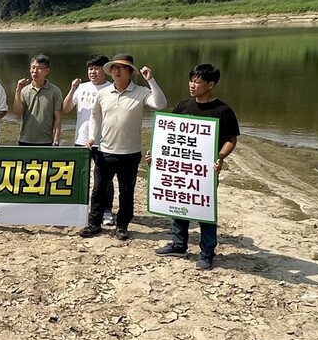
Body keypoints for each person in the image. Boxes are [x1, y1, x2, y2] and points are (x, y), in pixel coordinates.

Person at [153, 63, 240, 271]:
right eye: (191, 80)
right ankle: (179, 244)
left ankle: (207, 251)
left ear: (210, 84)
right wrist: (155, 155)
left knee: (204, 210)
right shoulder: (183, 106)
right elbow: (169, 137)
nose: (192, 85)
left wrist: (219, 157)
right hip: (182, 169)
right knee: (179, 203)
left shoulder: (222, 110)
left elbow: (231, 140)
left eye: (197, 82)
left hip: (206, 171)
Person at [80, 53, 167, 240]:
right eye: (113, 68)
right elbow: (95, 116)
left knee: (126, 191)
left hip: (130, 152)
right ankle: (94, 223)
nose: (116, 71)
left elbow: (161, 104)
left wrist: (151, 80)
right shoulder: (102, 94)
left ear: (130, 72)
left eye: (121, 68)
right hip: (105, 150)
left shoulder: (141, 92)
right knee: (98, 190)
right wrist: (93, 137)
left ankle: (122, 226)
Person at [63, 54, 115, 226]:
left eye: (96, 68)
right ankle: (81, 209)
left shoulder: (111, 88)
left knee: (104, 178)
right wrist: (72, 89)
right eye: (90, 68)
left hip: (104, 141)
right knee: (80, 177)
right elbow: (66, 108)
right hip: (82, 139)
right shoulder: (81, 87)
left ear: (105, 70)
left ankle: (106, 211)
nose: (92, 72)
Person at [13, 54, 63, 146]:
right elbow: (17, 111)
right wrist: (18, 90)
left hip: (46, 140)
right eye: (33, 67)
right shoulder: (24, 90)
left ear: (47, 70)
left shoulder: (54, 91)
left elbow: (58, 118)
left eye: (39, 68)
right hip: (25, 139)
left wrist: (56, 139)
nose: (35, 71)